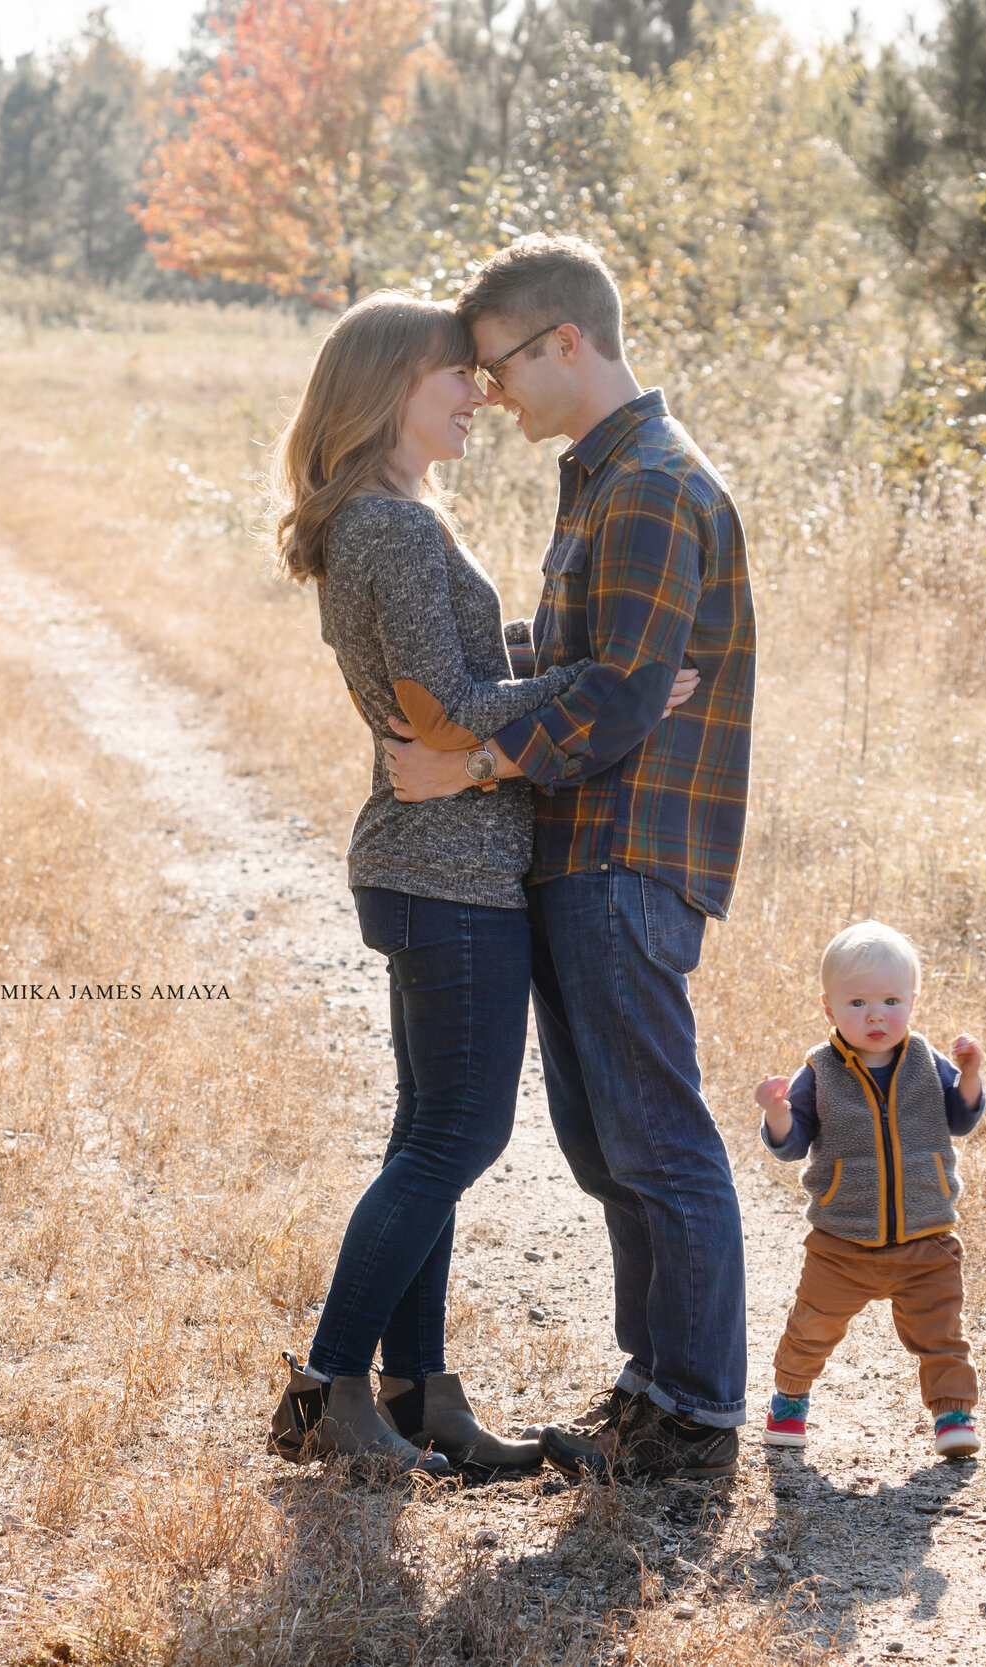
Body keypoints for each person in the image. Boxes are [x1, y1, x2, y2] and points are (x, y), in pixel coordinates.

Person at [263, 290, 703, 1480]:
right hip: (444, 873)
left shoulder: (393, 513)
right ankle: (326, 1385)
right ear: (389, 389)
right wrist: (609, 688)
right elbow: (447, 712)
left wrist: (564, 675)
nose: (478, 392)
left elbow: (450, 682)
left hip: (445, 867)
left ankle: (419, 1391)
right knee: (460, 1132)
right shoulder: (392, 529)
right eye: (455, 375)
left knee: (432, 1130)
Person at [384, 234, 756, 1481]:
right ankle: (651, 1390)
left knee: (655, 1139)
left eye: (495, 366)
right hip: (580, 848)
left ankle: (694, 1416)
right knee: (607, 1146)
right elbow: (589, 669)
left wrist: (473, 763)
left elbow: (612, 692)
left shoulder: (648, 482)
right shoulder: (600, 480)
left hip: (625, 853)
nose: (485, 393)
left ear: (567, 345)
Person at [753, 921, 986, 1458]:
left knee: (942, 1330)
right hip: (842, 1240)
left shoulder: (928, 1061)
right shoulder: (820, 1070)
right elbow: (792, 1145)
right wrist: (777, 1113)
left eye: (890, 1000)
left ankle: (953, 1414)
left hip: (926, 1235)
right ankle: (789, 1401)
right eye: (857, 1002)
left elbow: (960, 1118)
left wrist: (971, 1075)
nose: (876, 1014)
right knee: (812, 1326)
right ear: (829, 1008)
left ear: (913, 1001)